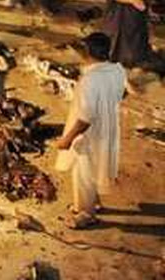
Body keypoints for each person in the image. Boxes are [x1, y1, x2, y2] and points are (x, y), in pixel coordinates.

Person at [56, 33, 128, 229]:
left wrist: (67, 139)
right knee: (95, 168)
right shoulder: (117, 69)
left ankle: (86, 214)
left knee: (83, 173)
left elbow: (85, 118)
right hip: (109, 126)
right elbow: (123, 93)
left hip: (89, 133)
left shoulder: (90, 80)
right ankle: (92, 203)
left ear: (88, 52)